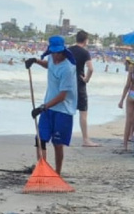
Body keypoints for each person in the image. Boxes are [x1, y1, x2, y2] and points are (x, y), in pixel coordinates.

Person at [25, 35, 78, 175]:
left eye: (58, 53)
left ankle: (57, 173)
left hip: (63, 110)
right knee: (40, 139)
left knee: (57, 144)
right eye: (53, 52)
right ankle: (42, 170)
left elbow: (62, 96)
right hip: (48, 107)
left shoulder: (68, 68)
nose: (55, 56)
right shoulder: (51, 58)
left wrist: (42, 107)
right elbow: (48, 65)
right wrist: (35, 61)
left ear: (63, 51)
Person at [67, 31, 98, 147]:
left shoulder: (68, 50)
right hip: (79, 85)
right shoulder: (85, 53)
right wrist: (86, 79)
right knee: (83, 113)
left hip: (68, 83)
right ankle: (85, 139)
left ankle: (65, 136)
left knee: (68, 111)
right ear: (85, 40)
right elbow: (91, 69)